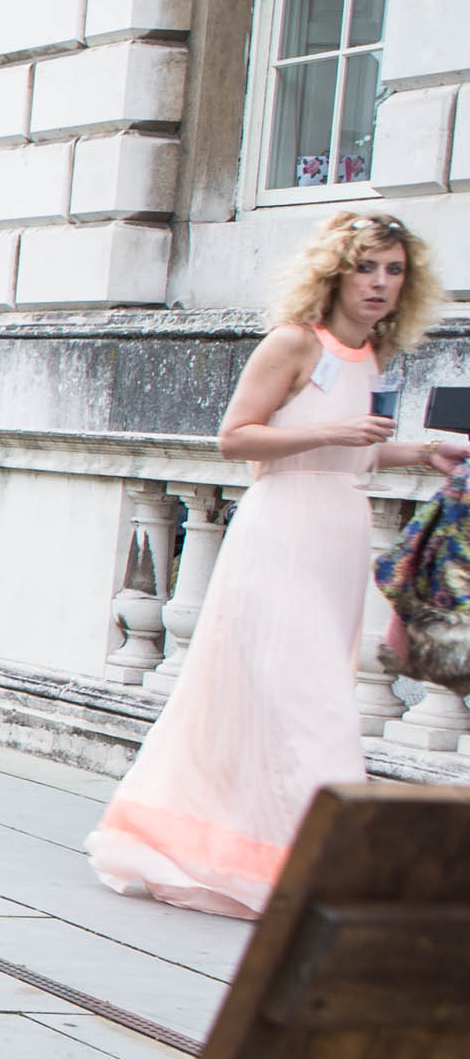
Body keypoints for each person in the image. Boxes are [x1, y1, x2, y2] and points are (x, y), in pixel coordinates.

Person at [90, 210, 463, 916]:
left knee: (297, 698)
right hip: (282, 532)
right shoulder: (294, 341)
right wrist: (334, 429)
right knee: (309, 701)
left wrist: (422, 451)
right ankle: (327, 873)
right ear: (335, 273)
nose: (380, 283)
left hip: (338, 536)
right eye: (366, 267)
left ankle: (257, 856)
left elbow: (355, 454)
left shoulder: (373, 353)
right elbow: (235, 438)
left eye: (394, 270)